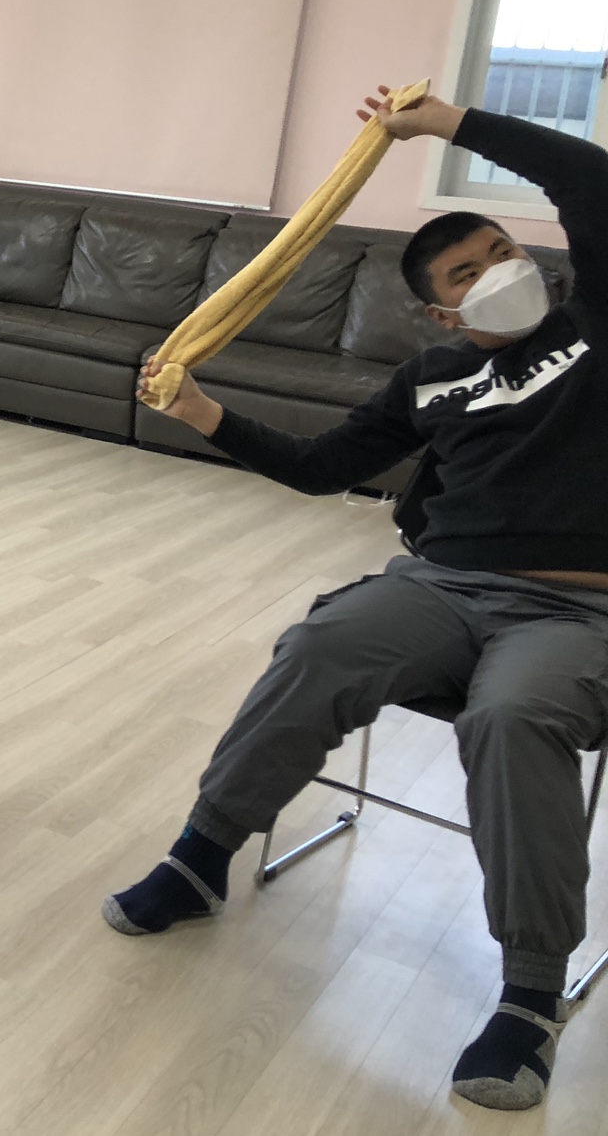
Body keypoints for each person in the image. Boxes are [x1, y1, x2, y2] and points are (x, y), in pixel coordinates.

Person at [106, 85, 608, 1111]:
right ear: (440, 312)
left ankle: (528, 995)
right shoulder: (430, 376)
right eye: (467, 273)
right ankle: (202, 857)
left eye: (501, 252)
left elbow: (589, 180)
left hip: (578, 613)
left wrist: (450, 124)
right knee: (319, 645)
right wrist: (202, 413)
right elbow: (321, 468)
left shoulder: (594, 326)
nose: (498, 271)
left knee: (512, 717)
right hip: (444, 585)